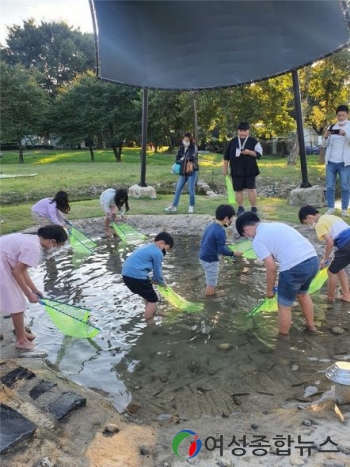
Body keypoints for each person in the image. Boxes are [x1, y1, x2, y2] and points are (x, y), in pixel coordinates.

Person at [236, 212, 319, 336]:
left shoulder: (258, 240)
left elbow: (271, 268)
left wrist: (269, 290)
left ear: (246, 229)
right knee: (302, 294)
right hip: (313, 260)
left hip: (294, 267)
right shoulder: (277, 225)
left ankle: (283, 340)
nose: (248, 237)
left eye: (245, 235)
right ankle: (311, 326)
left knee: (284, 306)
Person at [0, 225, 68, 350]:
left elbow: (22, 270)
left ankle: (22, 334)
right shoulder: (34, 248)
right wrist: (28, 294)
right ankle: (21, 341)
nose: (56, 249)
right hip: (2, 266)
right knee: (17, 302)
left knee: (16, 300)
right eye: (58, 246)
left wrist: (34, 290)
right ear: (52, 241)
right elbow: (17, 272)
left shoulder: (32, 240)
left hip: (3, 262)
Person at [299, 205, 350, 302]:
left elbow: (329, 242)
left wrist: (325, 258)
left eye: (307, 223)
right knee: (338, 269)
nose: (310, 225)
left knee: (331, 271)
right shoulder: (332, 216)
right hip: (347, 244)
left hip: (347, 245)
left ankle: (330, 298)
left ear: (309, 217)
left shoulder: (319, 224)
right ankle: (347, 295)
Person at [122, 231, 174, 320]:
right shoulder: (158, 252)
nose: (166, 251)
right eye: (167, 249)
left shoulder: (146, 247)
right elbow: (158, 272)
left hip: (126, 275)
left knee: (148, 295)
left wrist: (150, 279)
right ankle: (149, 321)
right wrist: (162, 283)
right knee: (153, 299)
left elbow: (138, 265)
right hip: (136, 277)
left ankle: (151, 311)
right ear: (161, 243)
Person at [199, 204, 242, 296]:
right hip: (210, 260)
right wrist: (233, 253)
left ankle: (211, 292)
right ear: (226, 219)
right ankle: (210, 301)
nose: (231, 221)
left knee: (210, 279)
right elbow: (221, 250)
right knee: (211, 284)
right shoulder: (220, 231)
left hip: (202, 256)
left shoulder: (211, 224)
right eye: (231, 219)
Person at [223, 122, 263, 216]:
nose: (242, 133)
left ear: (248, 131)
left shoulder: (254, 141)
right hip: (236, 170)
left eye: (245, 131)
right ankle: (240, 208)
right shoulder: (232, 142)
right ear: (238, 131)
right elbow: (226, 157)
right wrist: (225, 168)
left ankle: (253, 208)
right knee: (238, 190)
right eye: (241, 131)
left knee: (251, 189)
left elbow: (259, 154)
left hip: (250, 170)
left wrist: (249, 152)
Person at [321, 105, 350, 217]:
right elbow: (323, 145)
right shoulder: (331, 127)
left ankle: (344, 209)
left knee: (345, 186)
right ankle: (331, 208)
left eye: (343, 115)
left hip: (345, 163)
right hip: (331, 162)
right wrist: (326, 136)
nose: (341, 117)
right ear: (336, 116)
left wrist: (345, 134)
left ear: (347, 115)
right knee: (329, 186)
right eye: (339, 115)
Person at [165, 132, 199, 214]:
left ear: (190, 141)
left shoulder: (193, 148)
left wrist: (182, 159)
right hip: (183, 172)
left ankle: (191, 206)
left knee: (191, 190)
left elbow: (191, 157)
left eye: (187, 140)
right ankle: (174, 206)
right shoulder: (181, 148)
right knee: (178, 189)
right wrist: (181, 159)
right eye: (184, 140)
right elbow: (177, 159)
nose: (185, 142)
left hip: (191, 171)